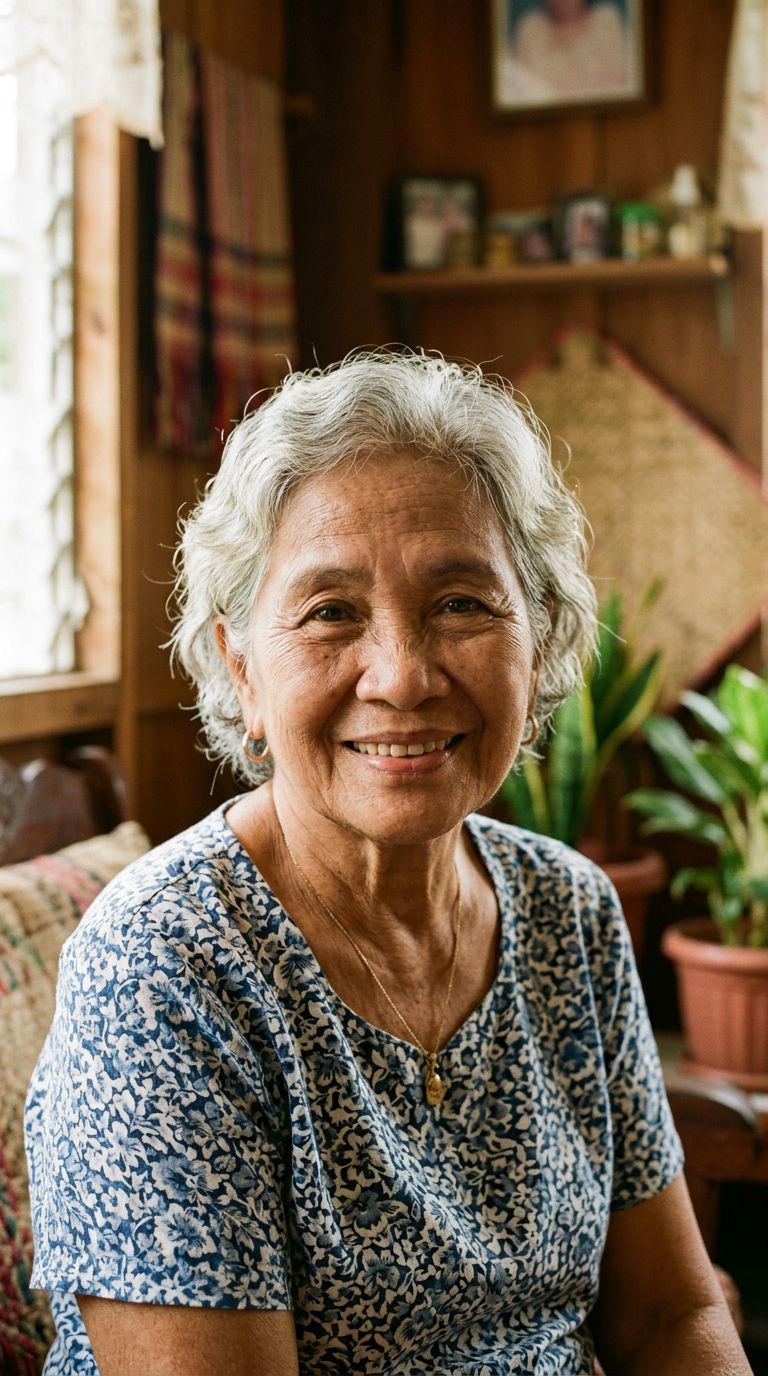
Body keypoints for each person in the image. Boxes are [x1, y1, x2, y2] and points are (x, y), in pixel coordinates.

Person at [25, 351, 750, 1375]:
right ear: (243, 667)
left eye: (462, 602)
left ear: (536, 639)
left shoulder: (566, 910)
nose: (403, 673)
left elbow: (668, 1318)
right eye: (331, 611)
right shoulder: (168, 964)